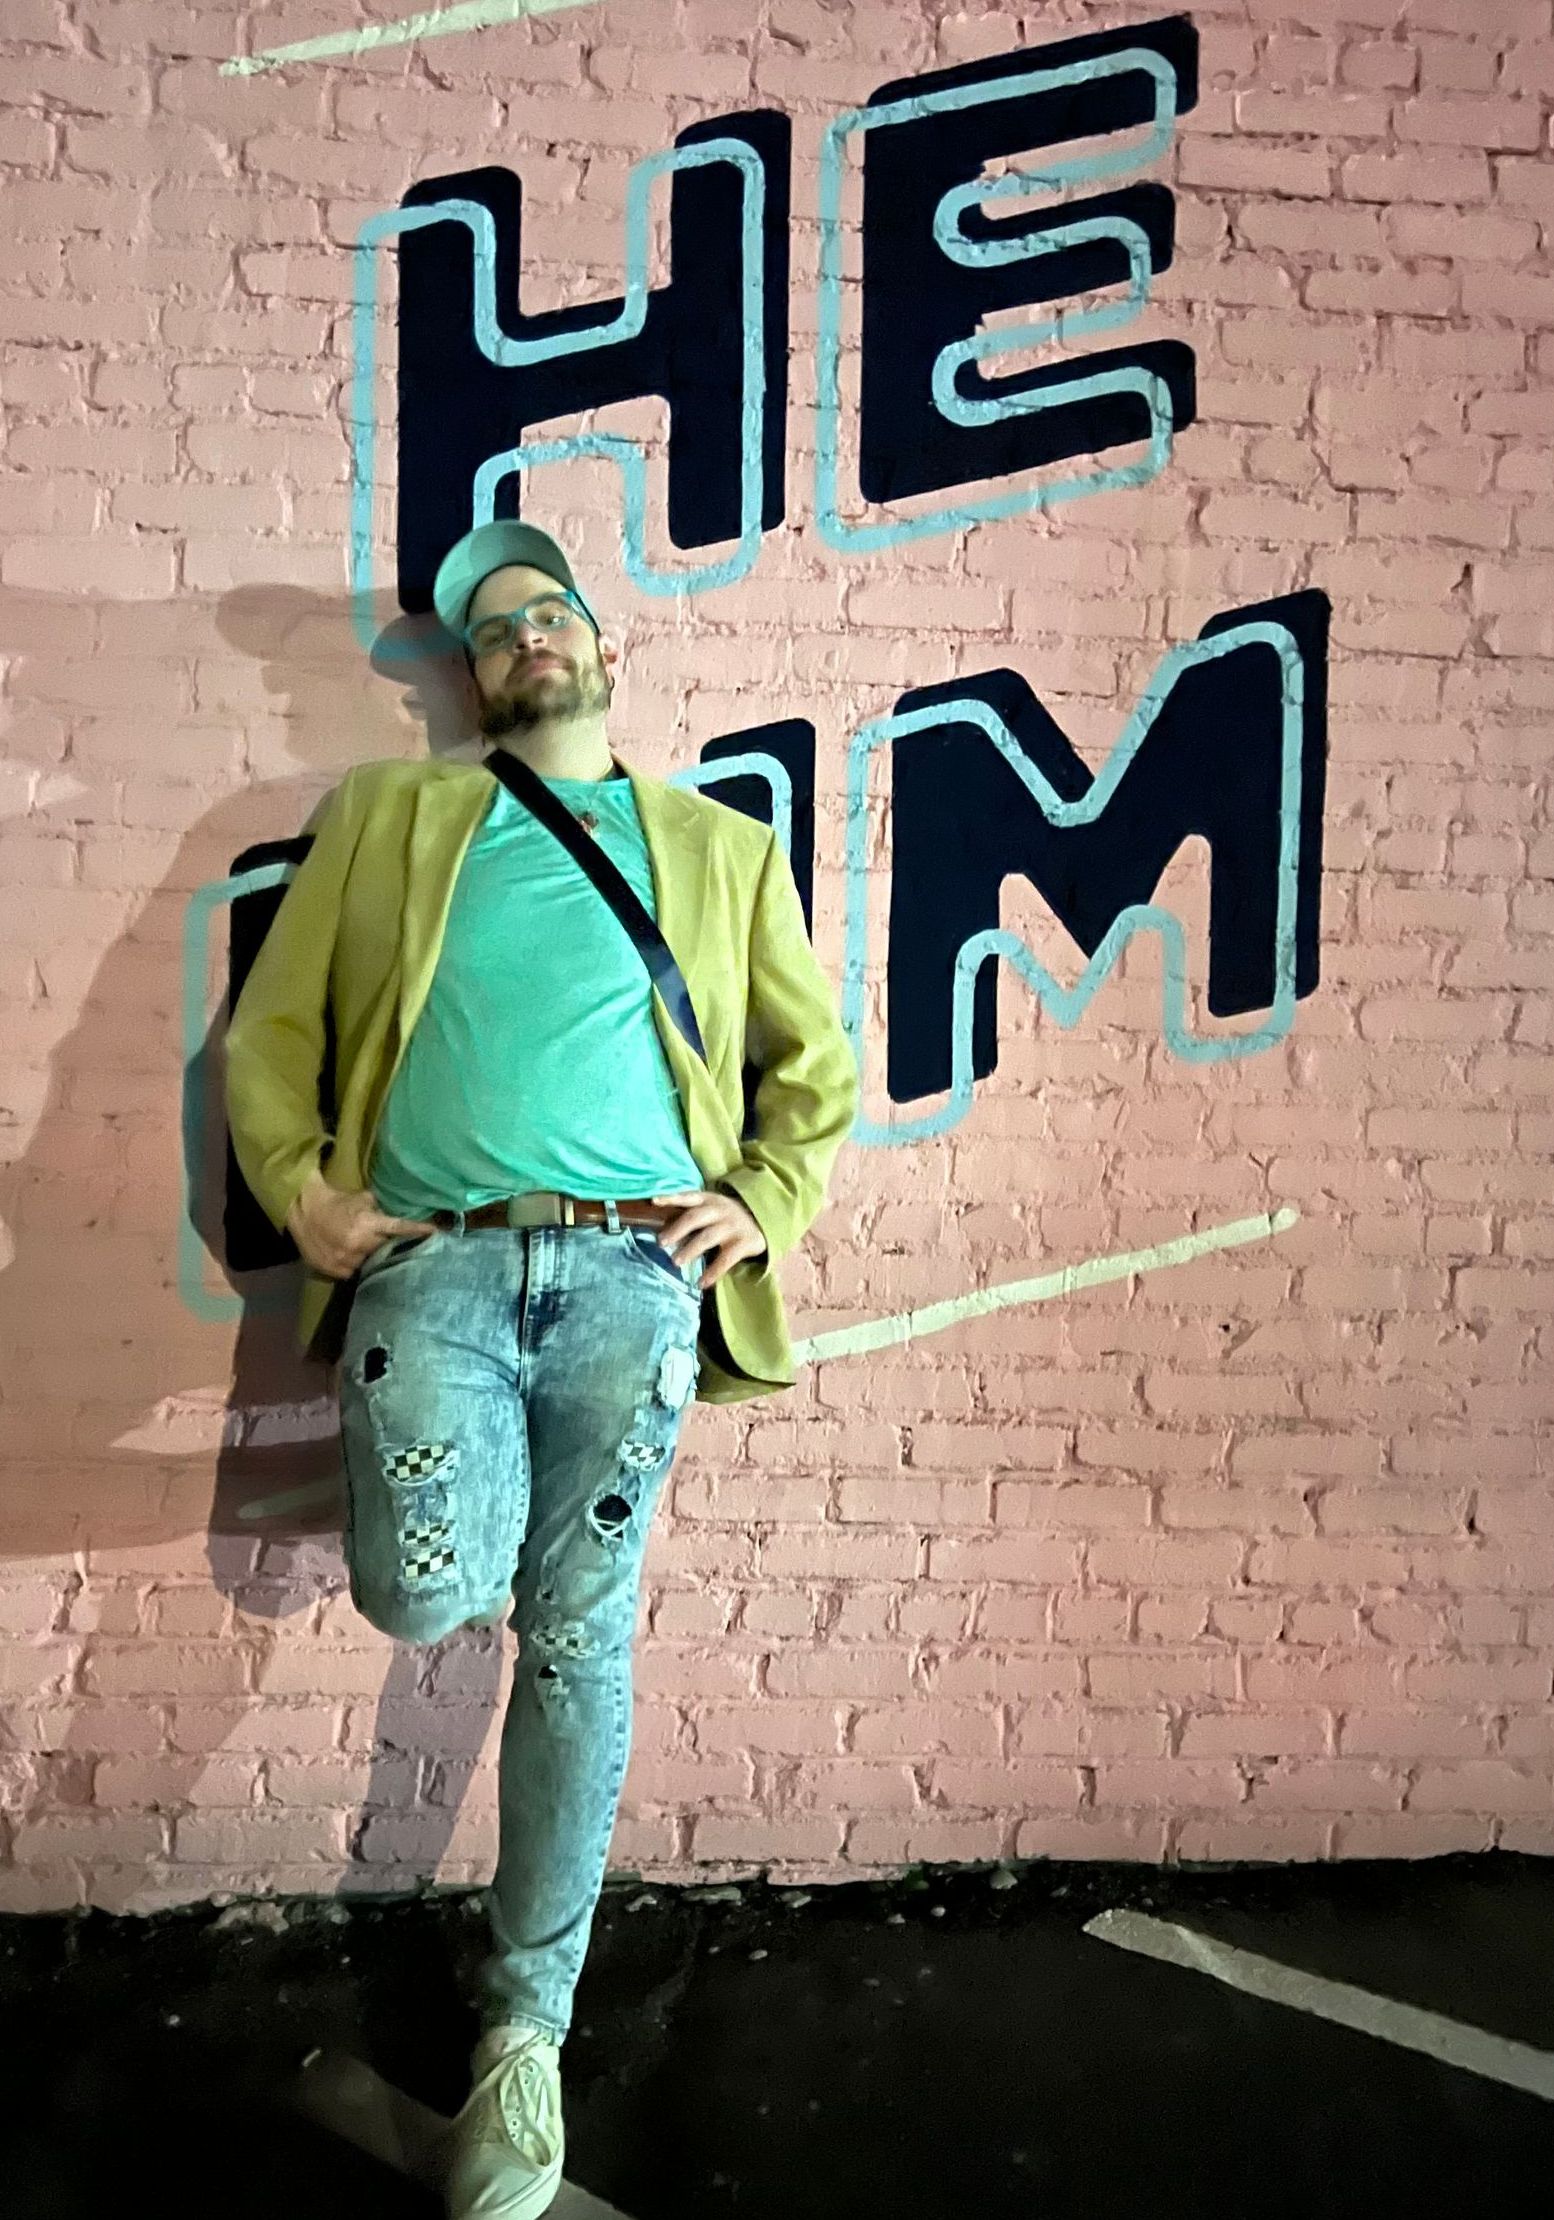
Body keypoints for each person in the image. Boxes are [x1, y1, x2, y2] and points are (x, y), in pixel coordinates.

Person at [224, 520, 859, 2219]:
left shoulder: (721, 851)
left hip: (630, 1279)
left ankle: (526, 2034)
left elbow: (814, 1067)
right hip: (425, 1262)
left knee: (579, 1643)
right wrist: (305, 1195)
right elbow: (272, 1037)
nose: (526, 641)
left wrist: (761, 1196)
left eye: (549, 614)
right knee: (424, 1598)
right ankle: (461, 1554)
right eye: (494, 631)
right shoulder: (388, 820)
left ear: (602, 646)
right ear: (472, 679)